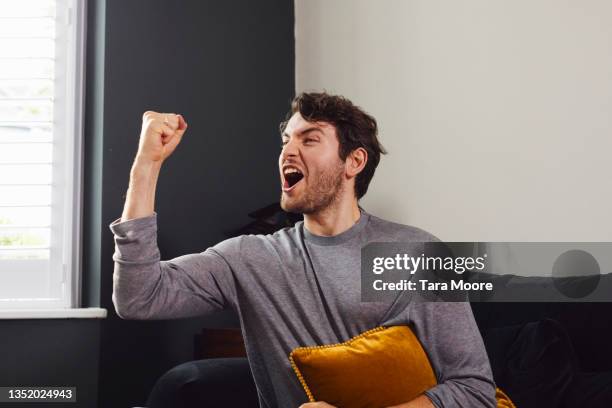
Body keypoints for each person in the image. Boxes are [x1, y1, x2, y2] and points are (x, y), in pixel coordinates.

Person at [109, 92, 497, 408]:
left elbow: (475, 392)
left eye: (309, 139)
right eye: (286, 140)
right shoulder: (249, 258)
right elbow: (139, 297)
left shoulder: (416, 253)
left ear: (354, 161)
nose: (287, 152)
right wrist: (147, 163)